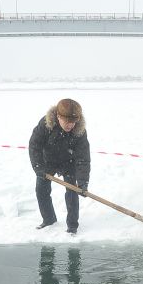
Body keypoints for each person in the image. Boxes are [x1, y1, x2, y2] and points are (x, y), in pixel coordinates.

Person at [29, 98, 90, 234]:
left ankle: (72, 226)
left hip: (69, 161)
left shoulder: (80, 131)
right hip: (48, 161)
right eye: (67, 122)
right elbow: (35, 145)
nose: (70, 125)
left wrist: (83, 182)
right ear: (58, 116)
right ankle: (48, 220)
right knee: (41, 190)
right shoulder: (45, 124)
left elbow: (83, 158)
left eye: (73, 122)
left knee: (72, 191)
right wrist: (38, 167)